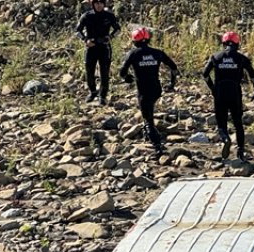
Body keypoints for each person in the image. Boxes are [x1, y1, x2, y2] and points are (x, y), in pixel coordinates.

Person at [119, 28, 178, 156]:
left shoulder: (133, 54)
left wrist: (128, 79)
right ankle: (148, 136)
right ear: (148, 39)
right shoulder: (157, 53)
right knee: (149, 111)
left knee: (148, 120)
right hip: (157, 89)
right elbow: (173, 67)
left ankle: (157, 147)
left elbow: (122, 72)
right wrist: (172, 83)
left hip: (143, 90)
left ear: (134, 41)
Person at [201, 31, 254, 161]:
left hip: (220, 92)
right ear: (237, 44)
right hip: (235, 92)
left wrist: (213, 88)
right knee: (238, 123)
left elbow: (205, 74)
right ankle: (240, 152)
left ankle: (226, 138)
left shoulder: (216, 57)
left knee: (221, 123)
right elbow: (253, 76)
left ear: (223, 43)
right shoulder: (241, 58)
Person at [75, 0, 121, 104]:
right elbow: (77, 31)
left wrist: (111, 37)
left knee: (104, 72)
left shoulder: (109, 15)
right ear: (93, 4)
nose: (99, 5)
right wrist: (85, 40)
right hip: (91, 46)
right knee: (89, 71)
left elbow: (118, 29)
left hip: (104, 47)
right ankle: (92, 92)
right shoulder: (87, 16)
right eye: (96, 3)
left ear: (104, 4)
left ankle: (103, 96)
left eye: (101, 3)